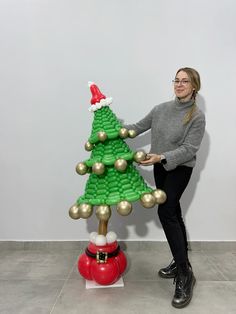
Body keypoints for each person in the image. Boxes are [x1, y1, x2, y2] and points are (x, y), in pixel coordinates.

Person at [126, 67, 205, 308]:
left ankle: (184, 275)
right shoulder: (160, 109)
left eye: (185, 81)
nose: (179, 84)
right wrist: (109, 129)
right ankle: (181, 261)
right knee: (173, 212)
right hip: (160, 165)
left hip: (180, 168)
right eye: (177, 80)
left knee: (166, 211)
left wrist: (160, 157)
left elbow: (189, 149)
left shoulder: (197, 116)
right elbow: (135, 128)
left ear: (194, 87)